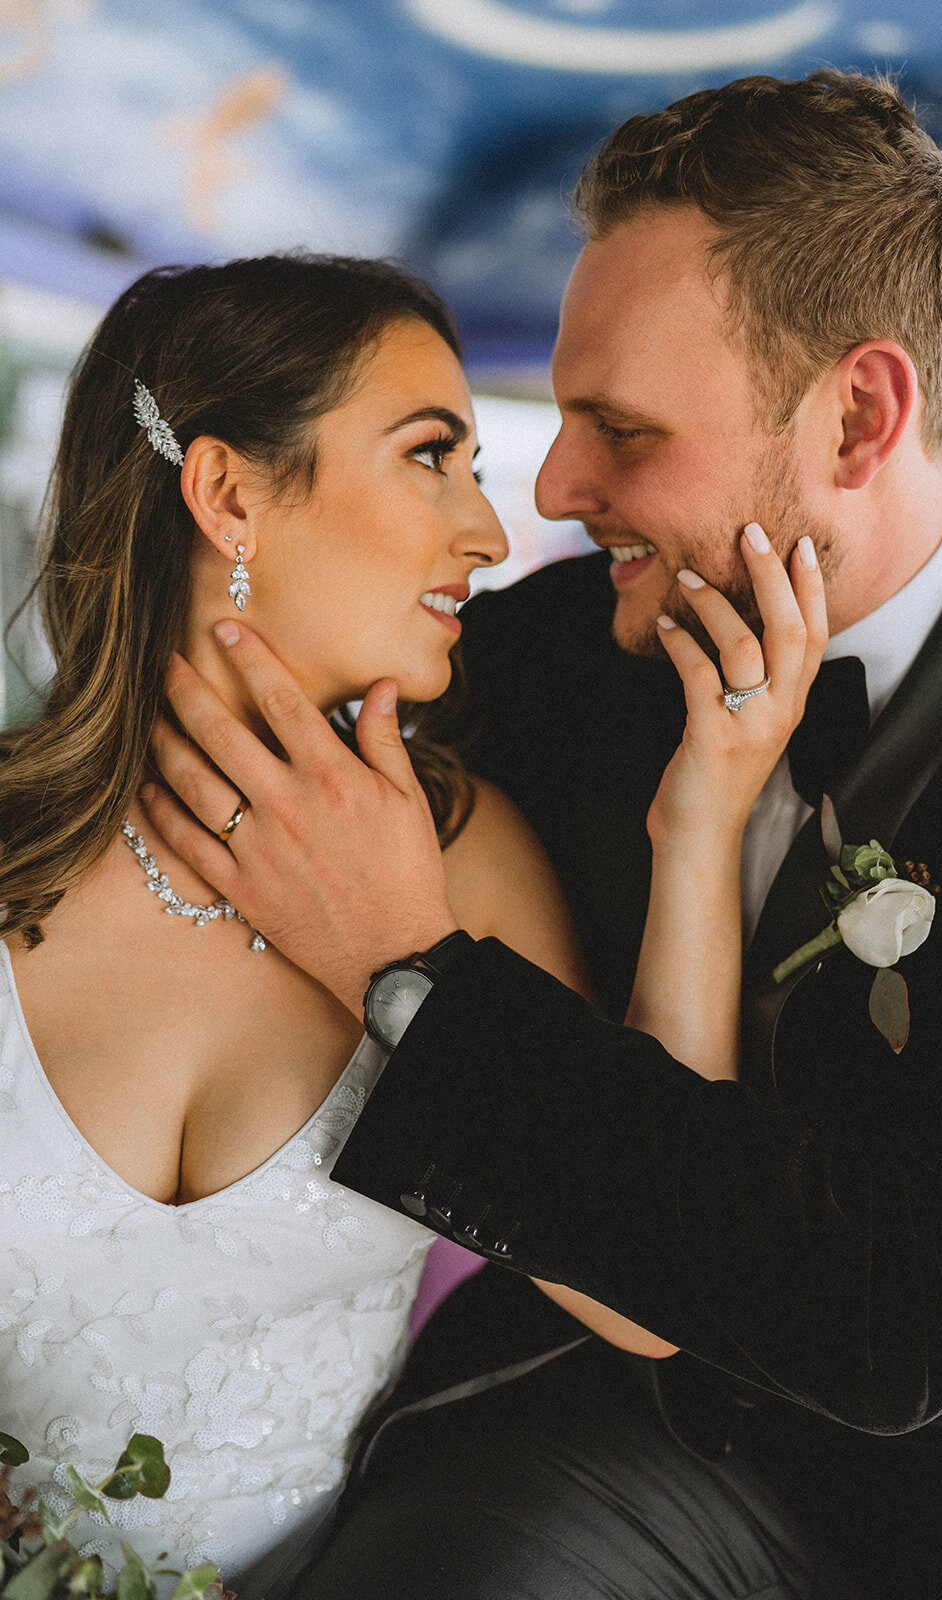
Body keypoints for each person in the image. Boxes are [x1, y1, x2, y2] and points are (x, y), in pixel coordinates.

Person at [142, 72, 942, 1598]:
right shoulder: (562, 653)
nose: (554, 492)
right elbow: (270, 725)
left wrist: (403, 964)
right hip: (599, 1447)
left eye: (618, 429)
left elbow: (893, 1321)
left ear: (860, 414)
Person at [1, 251, 804, 1593]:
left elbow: (669, 1292)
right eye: (434, 455)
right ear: (229, 494)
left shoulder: (460, 859)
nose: (488, 532)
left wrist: (701, 823)